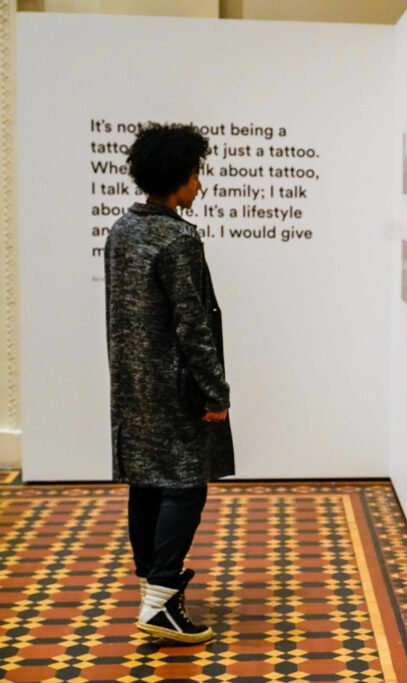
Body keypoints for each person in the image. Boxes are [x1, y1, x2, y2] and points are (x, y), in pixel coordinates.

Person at [105, 123, 234, 642]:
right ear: (178, 176)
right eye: (196, 173)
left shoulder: (122, 229)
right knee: (185, 487)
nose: (200, 185)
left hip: (133, 386)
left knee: (148, 483)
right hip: (176, 389)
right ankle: (160, 600)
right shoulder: (178, 237)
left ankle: (156, 596)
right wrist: (216, 391)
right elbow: (193, 324)